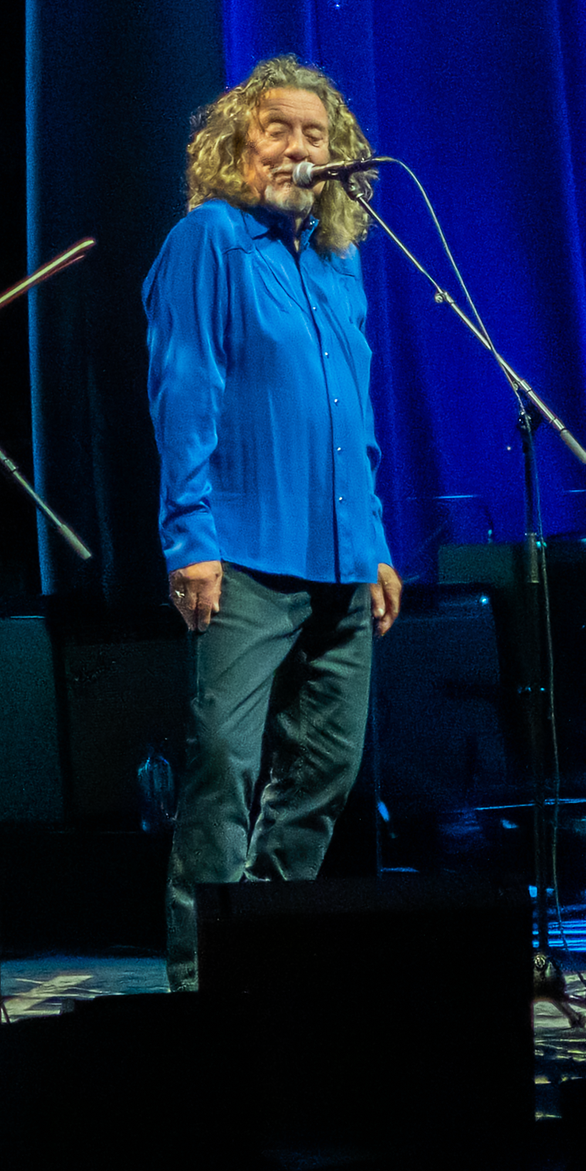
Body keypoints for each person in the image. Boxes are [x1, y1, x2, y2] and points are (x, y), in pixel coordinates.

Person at [143, 54, 402, 992]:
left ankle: (262, 945)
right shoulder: (211, 239)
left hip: (338, 554)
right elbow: (184, 390)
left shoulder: (338, 261)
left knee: (328, 766)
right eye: (278, 131)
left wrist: (371, 542)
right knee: (224, 763)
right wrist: (192, 539)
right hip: (244, 552)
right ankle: (202, 977)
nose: (299, 148)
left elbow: (356, 415)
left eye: (316, 135)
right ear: (236, 147)